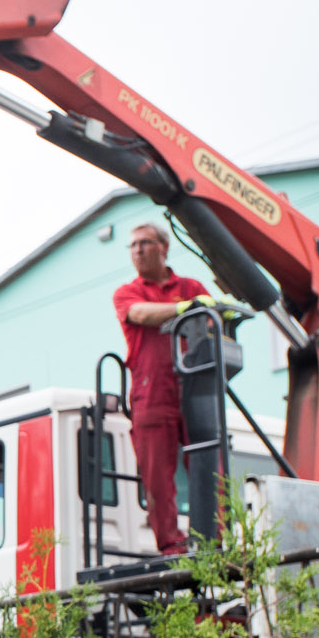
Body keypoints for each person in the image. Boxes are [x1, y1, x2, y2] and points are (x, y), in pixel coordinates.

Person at [111, 222, 209, 556]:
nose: (137, 250)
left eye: (144, 243)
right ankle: (171, 544)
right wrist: (184, 310)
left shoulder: (191, 285)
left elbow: (212, 318)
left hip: (195, 387)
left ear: (163, 247)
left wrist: (198, 307)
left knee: (208, 462)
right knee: (156, 473)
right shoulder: (128, 292)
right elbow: (139, 314)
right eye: (133, 245)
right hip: (151, 393)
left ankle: (212, 538)